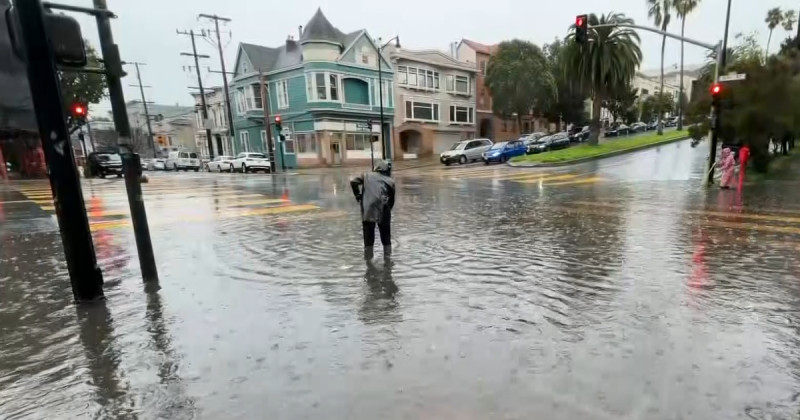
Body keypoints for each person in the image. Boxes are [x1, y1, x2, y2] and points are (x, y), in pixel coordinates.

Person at [351, 160, 395, 259]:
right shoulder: (390, 181)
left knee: (368, 238)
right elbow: (392, 199)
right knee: (386, 237)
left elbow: (353, 181)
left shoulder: (366, 176)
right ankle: (388, 259)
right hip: (383, 208)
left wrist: (358, 196)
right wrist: (388, 210)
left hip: (367, 209)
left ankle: (368, 260)